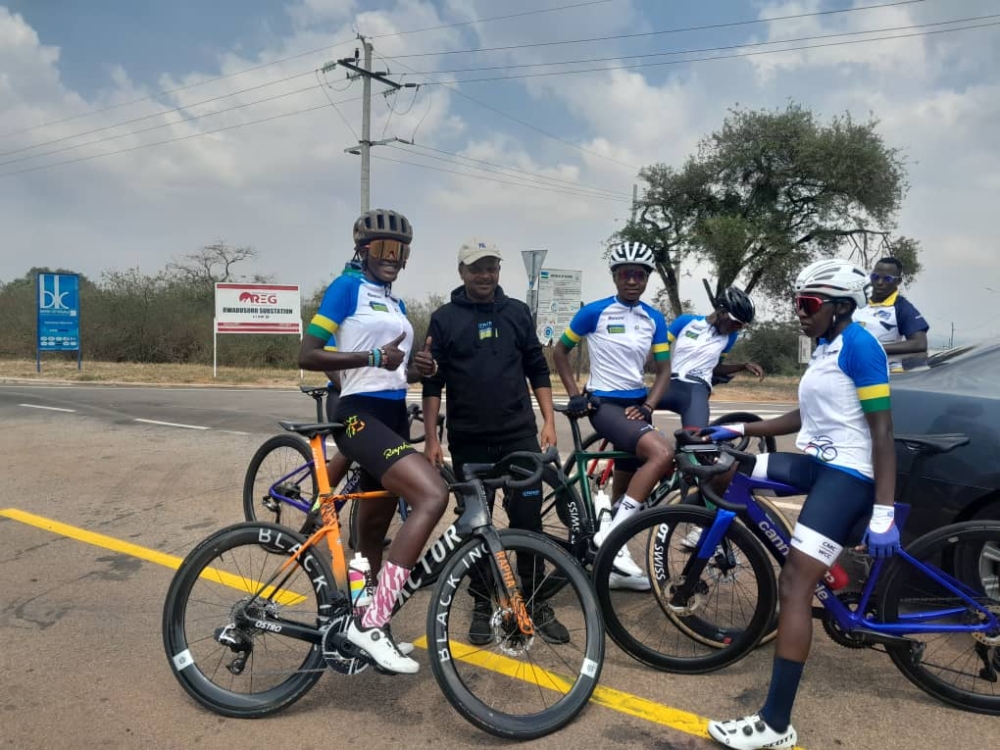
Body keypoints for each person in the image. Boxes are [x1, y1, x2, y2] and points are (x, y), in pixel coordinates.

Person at [702, 258, 896, 750]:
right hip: (816, 463)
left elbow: (883, 432)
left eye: (808, 305)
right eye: (798, 304)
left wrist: (883, 511)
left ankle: (774, 725)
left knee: (794, 581)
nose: (800, 314)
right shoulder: (827, 348)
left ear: (840, 306)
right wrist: (739, 428)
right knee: (728, 467)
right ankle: (814, 559)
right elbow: (802, 416)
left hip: (849, 474)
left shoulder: (859, 345)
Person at [298, 208, 447, 675]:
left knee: (369, 536)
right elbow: (308, 353)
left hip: (393, 415)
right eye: (381, 249)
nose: (390, 257)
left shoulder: (397, 305)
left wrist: (415, 370)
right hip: (359, 415)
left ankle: (361, 615)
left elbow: (395, 368)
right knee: (432, 495)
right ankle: (376, 619)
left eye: (398, 251)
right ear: (362, 251)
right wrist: (370, 355)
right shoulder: (347, 289)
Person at [420, 238, 570, 644]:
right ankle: (483, 600)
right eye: (476, 268)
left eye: (492, 268)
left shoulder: (518, 313)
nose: (485, 275)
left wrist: (548, 421)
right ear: (462, 273)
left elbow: (537, 369)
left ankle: (535, 601)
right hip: (469, 441)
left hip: (518, 436)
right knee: (476, 525)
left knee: (527, 521)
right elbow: (432, 382)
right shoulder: (444, 318)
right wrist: (433, 438)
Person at [551, 241, 676, 580]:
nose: (632, 280)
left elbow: (664, 370)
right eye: (625, 274)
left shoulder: (654, 319)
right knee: (662, 453)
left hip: (637, 406)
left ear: (647, 278)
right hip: (604, 405)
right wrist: (576, 393)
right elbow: (560, 352)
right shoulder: (595, 311)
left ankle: (615, 560)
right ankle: (609, 537)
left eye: (639, 275)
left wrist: (649, 404)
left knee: (628, 485)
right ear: (616, 277)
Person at [656, 286, 764, 428]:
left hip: (696, 388)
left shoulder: (730, 337)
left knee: (694, 440)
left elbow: (716, 368)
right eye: (737, 323)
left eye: (742, 326)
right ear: (721, 312)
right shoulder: (686, 322)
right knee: (627, 402)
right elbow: (657, 351)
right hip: (670, 383)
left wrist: (743, 366)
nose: (738, 328)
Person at [852, 256, 928, 372]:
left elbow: (919, 343)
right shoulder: (856, 301)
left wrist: (874, 348)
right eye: (875, 277)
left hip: (887, 374)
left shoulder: (901, 307)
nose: (880, 282)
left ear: (898, 281)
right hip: (852, 369)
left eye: (887, 279)